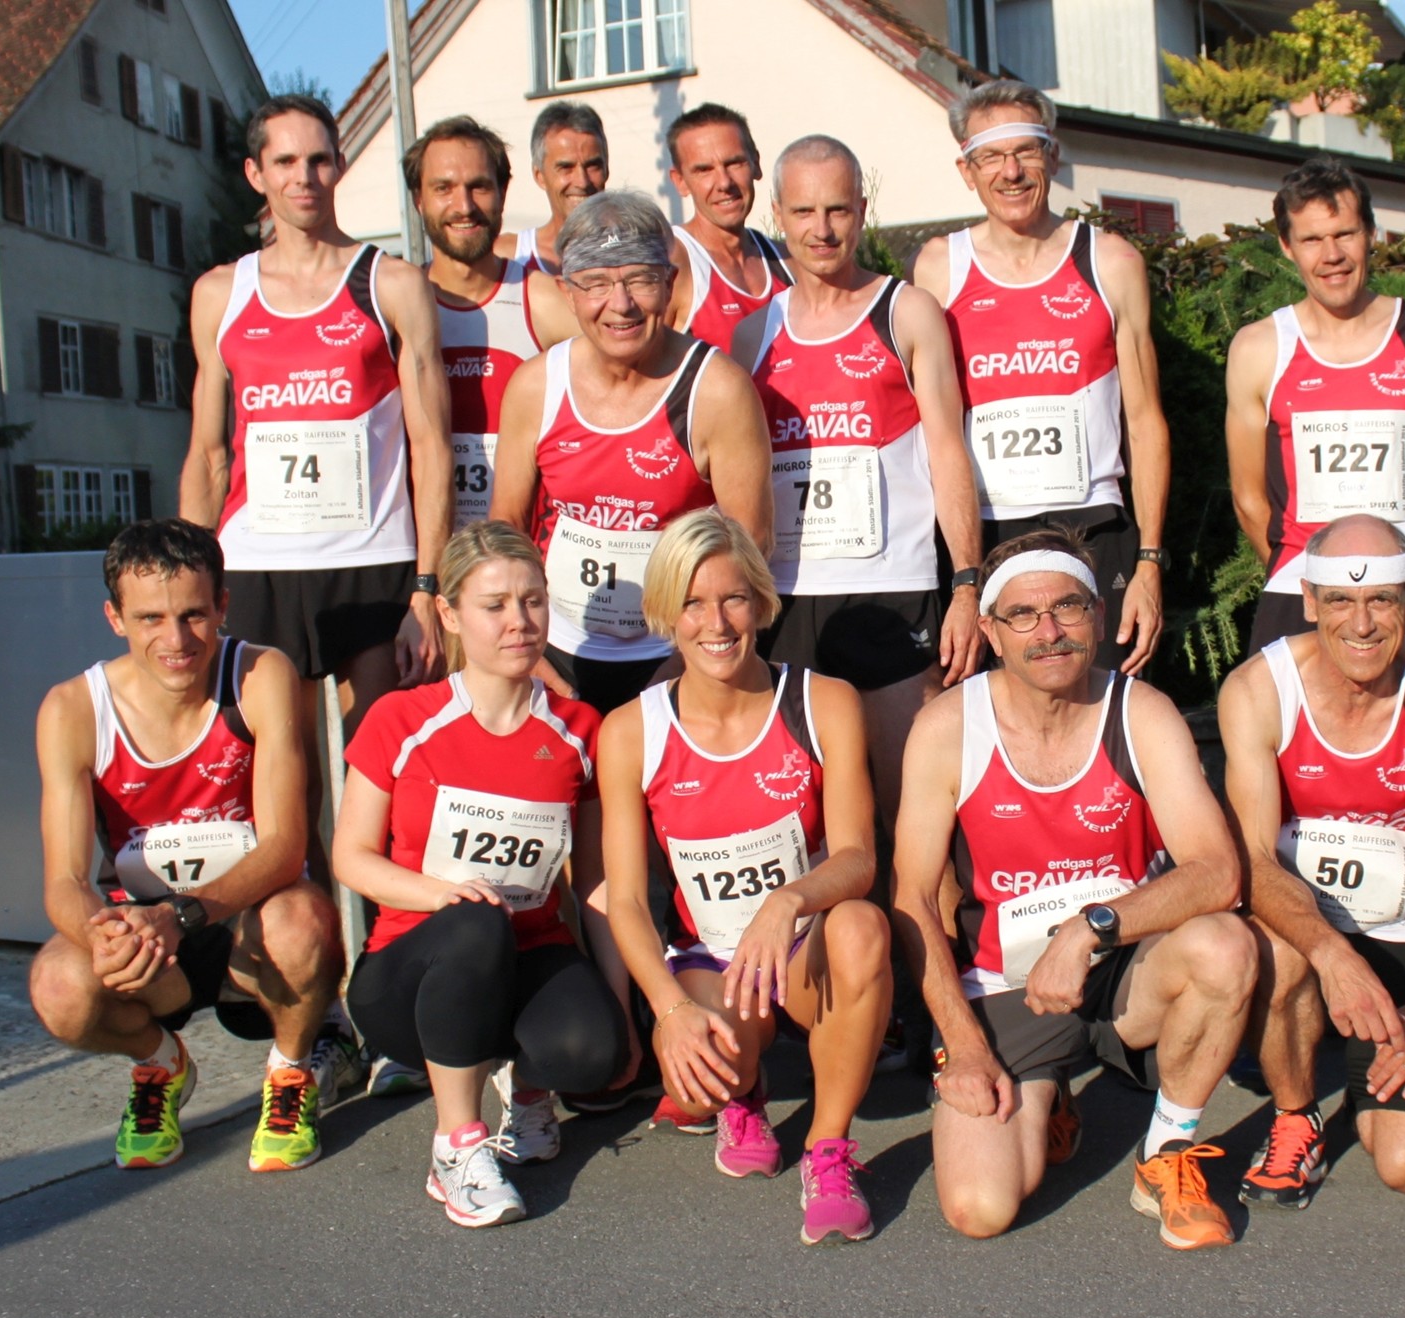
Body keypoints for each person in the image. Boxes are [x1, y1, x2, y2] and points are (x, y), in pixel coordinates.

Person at [891, 529, 1256, 1249]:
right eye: (1024, 615)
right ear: (991, 632)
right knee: (979, 1208)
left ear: (1096, 615)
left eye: (1067, 607)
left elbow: (1218, 870)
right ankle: (1048, 1087)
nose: (1050, 632)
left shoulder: (1139, 711)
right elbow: (909, 900)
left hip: (1125, 969)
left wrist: (1090, 926)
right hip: (1007, 984)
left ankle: (1166, 1154)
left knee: (1225, 945)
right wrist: (962, 1045)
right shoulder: (946, 727)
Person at [596, 511, 893, 1244]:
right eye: (692, 603)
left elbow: (858, 856)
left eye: (732, 598)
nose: (715, 622)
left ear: (762, 602)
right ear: (664, 614)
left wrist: (788, 900)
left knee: (862, 925)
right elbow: (626, 899)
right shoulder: (631, 731)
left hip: (799, 949)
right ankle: (743, 1090)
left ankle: (828, 1149)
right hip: (711, 964)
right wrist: (666, 1009)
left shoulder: (824, 702)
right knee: (696, 1076)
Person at [334, 521, 635, 1228]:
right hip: (410, 975)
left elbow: (595, 883)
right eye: (495, 604)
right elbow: (351, 856)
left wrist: (620, 1000)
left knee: (592, 1051)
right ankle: (456, 1147)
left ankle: (527, 1094)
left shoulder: (578, 729)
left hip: (529, 950)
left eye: (533, 601)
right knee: (474, 921)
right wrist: (439, 894)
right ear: (450, 613)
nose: (519, 622)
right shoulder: (400, 717)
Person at [29, 520, 348, 1173]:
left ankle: (290, 1073)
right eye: (150, 618)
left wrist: (183, 915)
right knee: (59, 986)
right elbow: (64, 879)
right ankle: (159, 1064)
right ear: (114, 617)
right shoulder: (71, 708)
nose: (176, 640)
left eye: (194, 615)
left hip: (243, 928)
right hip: (153, 943)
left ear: (222, 606)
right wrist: (105, 937)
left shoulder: (260, 673)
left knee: (302, 918)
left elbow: (287, 844)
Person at [179, 94, 451, 819]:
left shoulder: (390, 283)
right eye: (286, 161)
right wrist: (185, 587)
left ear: (339, 166)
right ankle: (299, 934)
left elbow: (431, 448)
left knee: (374, 780)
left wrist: (427, 586)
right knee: (280, 785)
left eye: (320, 159)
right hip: (259, 565)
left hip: (369, 563)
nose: (305, 177)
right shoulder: (219, 294)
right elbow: (208, 454)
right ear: (255, 173)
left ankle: (382, 934)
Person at [1217, 515, 1405, 1209]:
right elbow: (1249, 858)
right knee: (1280, 952)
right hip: (1300, 934)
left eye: (1381, 602)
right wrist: (1330, 953)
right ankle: (1296, 1113)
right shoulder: (1258, 688)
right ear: (1310, 602)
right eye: (1341, 600)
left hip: (1404, 930)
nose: (1362, 623)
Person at [738, 135, 986, 831]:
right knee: (805, 813)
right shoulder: (752, 332)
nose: (822, 230)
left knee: (909, 807)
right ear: (779, 215)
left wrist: (965, 581)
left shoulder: (904, 311)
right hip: (785, 595)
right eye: (806, 211)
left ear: (863, 210)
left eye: (839, 210)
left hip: (891, 588)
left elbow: (948, 453)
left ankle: (925, 940)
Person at [913, 80, 1171, 674]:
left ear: (1053, 156)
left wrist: (1151, 561)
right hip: (987, 528)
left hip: (1094, 521)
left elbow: (1146, 419)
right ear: (966, 169)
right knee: (993, 721)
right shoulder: (938, 267)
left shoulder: (1110, 261)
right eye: (991, 157)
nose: (1011, 172)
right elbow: (929, 428)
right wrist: (960, 575)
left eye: (1026, 151)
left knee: (1104, 708)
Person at [490, 191, 773, 713]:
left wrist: (686, 662)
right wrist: (522, 648)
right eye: (596, 284)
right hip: (562, 649)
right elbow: (506, 527)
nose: (620, 305)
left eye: (640, 280)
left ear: (669, 285)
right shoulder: (535, 386)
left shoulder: (716, 390)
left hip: (678, 652)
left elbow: (750, 544)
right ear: (567, 293)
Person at [1224, 155, 1405, 657]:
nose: (1332, 254)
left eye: (1345, 234)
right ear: (1287, 247)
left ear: (1371, 234)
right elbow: (1250, 500)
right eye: (1312, 240)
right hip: (1299, 592)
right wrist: (1321, 577)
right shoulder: (1259, 348)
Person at [407, 115, 578, 533]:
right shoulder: (398, 304)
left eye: (479, 187)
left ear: (503, 192)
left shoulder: (542, 299)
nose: (464, 207)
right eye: (443, 188)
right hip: (427, 554)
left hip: (523, 550)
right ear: (419, 200)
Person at [665, 103, 793, 352]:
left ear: (755, 163)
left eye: (734, 163)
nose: (724, 182)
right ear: (680, 181)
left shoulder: (788, 260)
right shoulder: (671, 264)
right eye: (704, 170)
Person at [495, 102, 609, 276]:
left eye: (593, 166)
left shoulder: (636, 249)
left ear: (607, 169)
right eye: (566, 167)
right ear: (539, 175)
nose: (582, 182)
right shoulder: (510, 256)